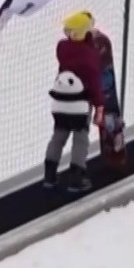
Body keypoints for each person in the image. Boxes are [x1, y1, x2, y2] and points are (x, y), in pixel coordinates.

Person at [46, 10, 106, 193]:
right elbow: (94, 83)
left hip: (60, 103)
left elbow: (72, 47)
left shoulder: (62, 48)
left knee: (58, 136)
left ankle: (49, 175)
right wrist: (100, 106)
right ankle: (76, 178)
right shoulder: (90, 55)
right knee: (80, 139)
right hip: (80, 105)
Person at [80, 10, 126, 172]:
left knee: (107, 115)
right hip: (99, 86)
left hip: (101, 87)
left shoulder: (99, 42)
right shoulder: (96, 42)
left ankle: (114, 151)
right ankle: (114, 150)